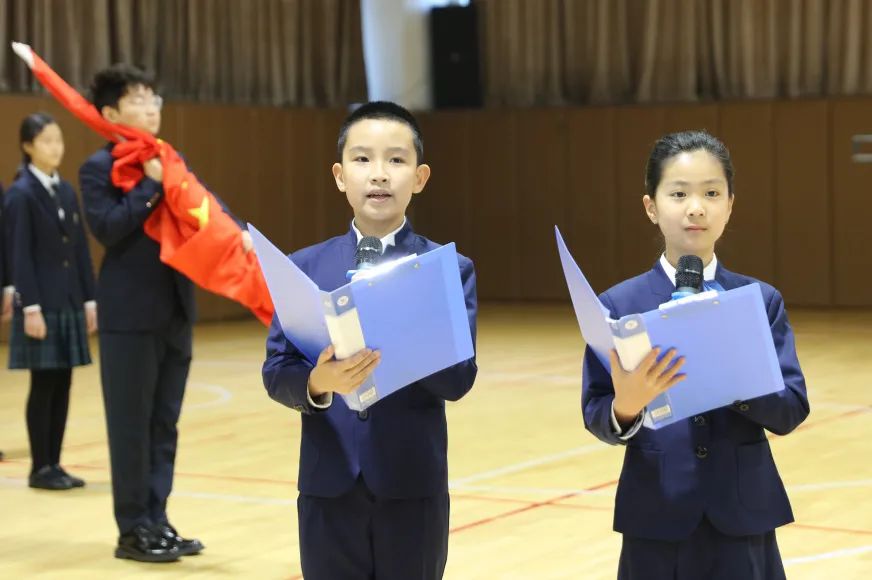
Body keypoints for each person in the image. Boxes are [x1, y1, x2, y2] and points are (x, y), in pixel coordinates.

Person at [262, 101, 478, 579]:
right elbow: (277, 372)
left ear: (419, 177)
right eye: (362, 159)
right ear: (340, 176)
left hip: (412, 488)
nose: (379, 173)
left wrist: (407, 331)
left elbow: (460, 380)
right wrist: (319, 382)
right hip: (328, 485)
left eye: (396, 160)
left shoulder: (447, 268)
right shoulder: (304, 266)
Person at [581, 130, 809, 579]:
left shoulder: (759, 300)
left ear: (730, 205)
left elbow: (791, 409)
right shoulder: (619, 305)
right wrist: (626, 408)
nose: (696, 207)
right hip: (657, 512)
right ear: (651, 207)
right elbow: (596, 410)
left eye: (711, 193)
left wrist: (733, 376)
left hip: (743, 514)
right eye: (679, 193)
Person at [79, 64, 249, 562]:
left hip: (175, 309)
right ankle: (132, 528)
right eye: (137, 99)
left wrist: (236, 233)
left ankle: (157, 518)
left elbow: (203, 208)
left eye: (154, 98)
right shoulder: (98, 167)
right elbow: (108, 228)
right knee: (131, 428)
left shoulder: (170, 160)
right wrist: (149, 187)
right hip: (129, 316)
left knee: (164, 424)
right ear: (111, 113)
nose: (151, 107)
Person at [4, 113, 96, 490]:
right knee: (43, 384)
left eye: (58, 140)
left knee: (63, 383)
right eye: (46, 141)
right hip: (41, 303)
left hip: (68, 299)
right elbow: (19, 255)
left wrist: (89, 299)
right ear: (28, 146)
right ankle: (39, 467)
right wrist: (30, 307)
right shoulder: (21, 193)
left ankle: (55, 464)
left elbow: (79, 249)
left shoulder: (66, 190)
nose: (55, 148)